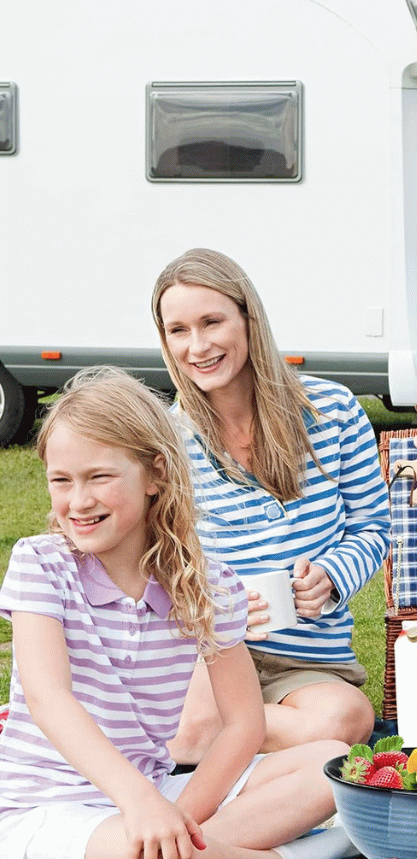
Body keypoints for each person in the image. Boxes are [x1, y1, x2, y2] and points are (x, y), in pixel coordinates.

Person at [0, 369, 351, 859]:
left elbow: (242, 725)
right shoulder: (40, 564)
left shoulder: (206, 582)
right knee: (134, 852)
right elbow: (49, 699)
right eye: (61, 480)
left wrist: (176, 814)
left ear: (154, 475)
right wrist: (141, 806)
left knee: (334, 763)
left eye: (99, 477)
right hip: (43, 809)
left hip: (155, 788)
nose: (78, 501)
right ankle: (312, 857)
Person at [151, 249, 390, 761]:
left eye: (212, 321)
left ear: (248, 318)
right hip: (212, 651)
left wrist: (331, 575)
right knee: (190, 730)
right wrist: (208, 602)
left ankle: (223, 742)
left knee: (347, 719)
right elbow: (156, 555)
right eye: (178, 330)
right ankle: (244, 743)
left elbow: (373, 526)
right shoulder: (168, 439)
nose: (198, 346)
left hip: (306, 662)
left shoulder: (333, 411)